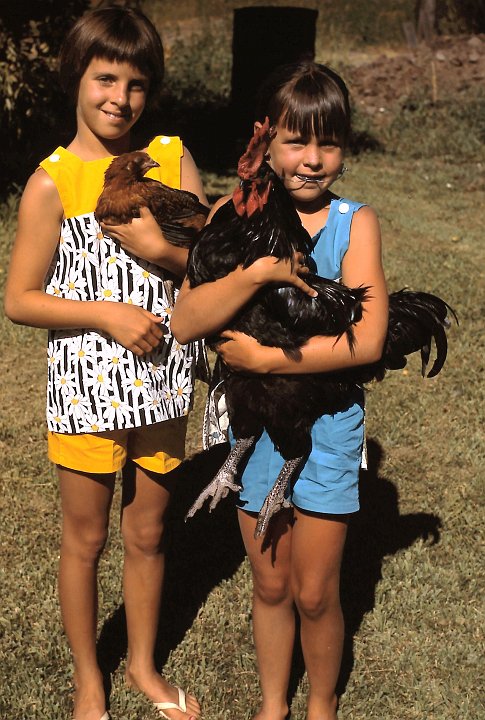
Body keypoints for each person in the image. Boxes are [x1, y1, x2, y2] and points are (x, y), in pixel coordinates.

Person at [4, 7, 208, 720]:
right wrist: (106, 313)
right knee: (86, 537)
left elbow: (211, 266)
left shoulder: (171, 156)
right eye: (105, 79)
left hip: (163, 382)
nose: (120, 98)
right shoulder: (51, 184)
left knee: (150, 532)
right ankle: (89, 679)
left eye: (137, 83)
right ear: (76, 79)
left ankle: (144, 666)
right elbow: (20, 300)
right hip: (86, 391)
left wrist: (162, 255)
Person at [170, 61, 388, 720]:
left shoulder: (354, 224)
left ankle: (320, 704)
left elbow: (370, 341)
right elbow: (184, 320)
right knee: (268, 582)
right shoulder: (229, 216)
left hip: (326, 425)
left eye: (328, 143)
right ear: (264, 142)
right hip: (250, 426)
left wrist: (265, 360)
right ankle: (274, 706)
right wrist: (252, 279)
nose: (313, 159)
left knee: (314, 591)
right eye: (297, 141)